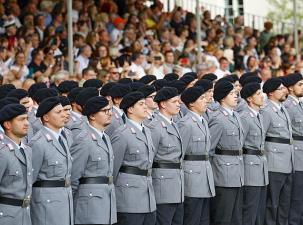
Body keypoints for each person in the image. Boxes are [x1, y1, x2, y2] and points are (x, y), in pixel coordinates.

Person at [111, 92, 156, 225]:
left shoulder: (146, 131)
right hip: (129, 196)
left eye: (144, 103)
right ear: (130, 109)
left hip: (147, 193)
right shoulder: (122, 134)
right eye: (141, 104)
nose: (145, 106)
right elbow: (113, 169)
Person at [71, 96, 117, 225]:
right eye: (104, 111)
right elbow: (74, 176)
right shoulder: (84, 140)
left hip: (105, 198)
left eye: (110, 110)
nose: (110, 114)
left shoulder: (105, 137)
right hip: (89, 202)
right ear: (92, 115)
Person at [29, 97, 73, 225]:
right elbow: (30, 179)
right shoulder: (38, 143)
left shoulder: (62, 139)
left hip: (64, 200)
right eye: (58, 112)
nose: (64, 114)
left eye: (63, 111)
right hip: (46, 204)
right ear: (46, 117)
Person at [208, 80, 244, 225]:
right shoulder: (218, 119)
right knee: (223, 216)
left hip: (237, 172)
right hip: (224, 173)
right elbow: (209, 150)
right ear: (222, 97)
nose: (236, 96)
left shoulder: (235, 116)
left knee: (236, 216)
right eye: (231, 93)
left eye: (236, 93)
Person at [147, 87, 185, 225]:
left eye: (178, 101)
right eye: (174, 101)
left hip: (177, 184)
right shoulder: (155, 127)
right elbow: (149, 160)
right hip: (163, 186)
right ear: (163, 104)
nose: (178, 104)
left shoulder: (173, 124)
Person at [178, 86, 215, 225]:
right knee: (192, 217)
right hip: (192, 177)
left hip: (205, 175)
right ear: (191, 103)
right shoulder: (186, 124)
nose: (206, 101)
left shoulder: (203, 121)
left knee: (204, 219)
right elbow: (180, 155)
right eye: (202, 99)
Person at [260, 77, 293, 225]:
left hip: (287, 161)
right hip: (274, 162)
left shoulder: (282, 108)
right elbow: (261, 137)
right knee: (272, 203)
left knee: (284, 202)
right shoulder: (267, 110)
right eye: (280, 89)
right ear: (271, 93)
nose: (284, 90)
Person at [239, 83, 269, 225]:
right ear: (249, 99)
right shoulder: (245, 117)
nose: (262, 96)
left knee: (259, 208)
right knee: (250, 207)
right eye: (258, 94)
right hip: (250, 164)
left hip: (261, 164)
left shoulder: (259, 116)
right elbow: (240, 144)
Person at [0, 103, 32, 225]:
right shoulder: (2, 152)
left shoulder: (27, 150)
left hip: (25, 214)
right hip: (6, 216)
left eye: (27, 119)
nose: (27, 123)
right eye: (21, 119)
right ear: (7, 124)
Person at [282, 73, 303, 225]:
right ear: (290, 88)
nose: (302, 87)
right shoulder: (288, 106)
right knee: (296, 195)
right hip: (296, 155)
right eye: (300, 84)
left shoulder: (299, 104)